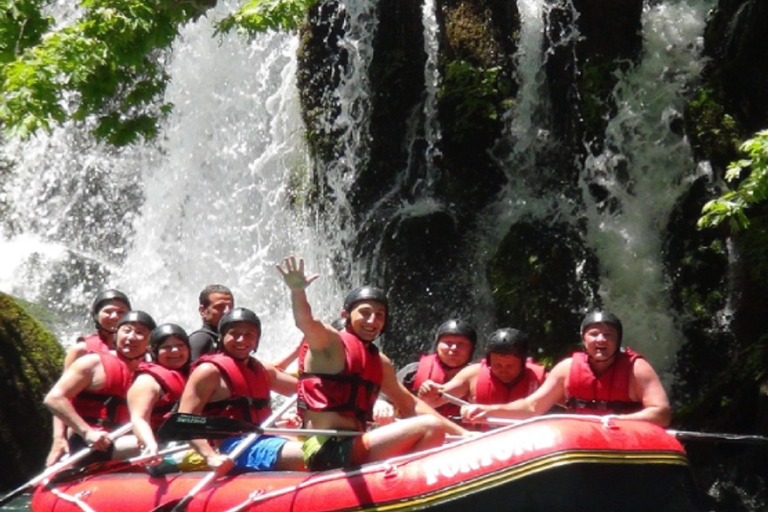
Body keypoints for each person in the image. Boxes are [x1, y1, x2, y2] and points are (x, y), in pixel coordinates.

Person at [276, 255, 467, 471]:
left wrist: (464, 435)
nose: (372, 321)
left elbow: (411, 405)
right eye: (365, 313)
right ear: (345, 315)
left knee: (433, 427)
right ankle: (400, 487)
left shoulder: (379, 360)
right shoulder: (329, 342)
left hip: (356, 443)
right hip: (327, 449)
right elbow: (306, 322)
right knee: (430, 428)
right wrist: (297, 291)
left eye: (379, 316)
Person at [461, 311, 672, 427]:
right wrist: (487, 410)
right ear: (583, 340)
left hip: (626, 437)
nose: (601, 339)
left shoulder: (637, 368)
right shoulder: (567, 369)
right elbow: (531, 407)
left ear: (618, 340)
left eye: (608, 335)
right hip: (582, 441)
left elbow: (661, 413)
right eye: (594, 334)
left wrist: (619, 421)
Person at [177, 307, 304, 473]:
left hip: (265, 438)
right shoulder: (209, 372)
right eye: (234, 334)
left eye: (249, 334)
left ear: (257, 340)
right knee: (310, 454)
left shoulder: (262, 370)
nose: (241, 340)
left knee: (326, 446)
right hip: (235, 446)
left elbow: (306, 392)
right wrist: (210, 456)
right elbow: (184, 421)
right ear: (222, 337)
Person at [44, 311, 157, 465]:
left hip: (127, 440)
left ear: (150, 341)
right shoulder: (92, 363)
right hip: (90, 444)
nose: (131, 337)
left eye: (140, 333)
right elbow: (54, 398)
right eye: (127, 330)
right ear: (116, 335)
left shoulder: (152, 371)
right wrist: (87, 432)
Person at [47, 288, 132, 465]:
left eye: (121, 312)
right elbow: (62, 395)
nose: (115, 316)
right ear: (96, 316)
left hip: (123, 431)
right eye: (108, 312)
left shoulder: (137, 352)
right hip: (87, 433)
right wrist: (58, 438)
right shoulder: (82, 350)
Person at [420, 328, 545, 419]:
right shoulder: (472, 374)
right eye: (497, 365)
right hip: (482, 441)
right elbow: (431, 402)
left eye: (510, 366)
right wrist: (428, 392)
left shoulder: (542, 378)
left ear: (523, 363)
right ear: (489, 362)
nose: (503, 370)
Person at [127, 323, 191, 463]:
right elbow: (139, 419)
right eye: (166, 347)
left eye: (180, 346)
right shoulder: (147, 381)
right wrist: (150, 443)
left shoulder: (195, 376)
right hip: (165, 450)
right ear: (153, 352)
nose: (175, 351)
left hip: (190, 444)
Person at [396, 319, 477, 419]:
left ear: (471, 349)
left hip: (470, 432)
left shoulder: (479, 378)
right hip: (419, 430)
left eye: (462, 344)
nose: (454, 348)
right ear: (437, 345)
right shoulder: (411, 372)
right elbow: (386, 396)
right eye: (448, 342)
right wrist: (382, 404)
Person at [188, 284, 234, 362]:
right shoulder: (201, 339)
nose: (227, 311)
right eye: (219, 306)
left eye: (230, 307)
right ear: (203, 311)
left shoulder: (226, 339)